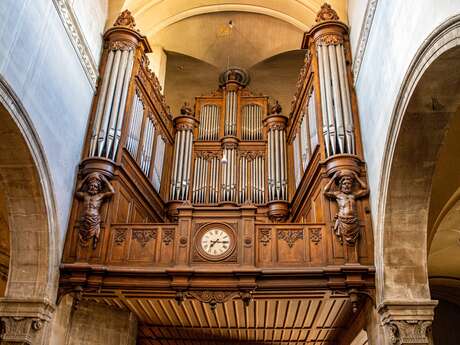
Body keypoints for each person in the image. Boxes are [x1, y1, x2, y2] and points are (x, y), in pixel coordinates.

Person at [324, 170, 368, 245]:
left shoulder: (354, 195)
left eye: (349, 183)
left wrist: (356, 177)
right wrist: (333, 178)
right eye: (344, 184)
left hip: (354, 220)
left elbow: (366, 190)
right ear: (341, 186)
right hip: (343, 220)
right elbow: (325, 191)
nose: (347, 185)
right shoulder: (338, 195)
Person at [75, 172, 115, 248]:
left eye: (95, 186)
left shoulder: (100, 196)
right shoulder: (85, 195)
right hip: (84, 219)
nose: (93, 187)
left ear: (98, 188)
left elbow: (112, 192)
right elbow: (77, 191)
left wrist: (105, 180)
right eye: (91, 185)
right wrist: (85, 179)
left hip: (94, 219)